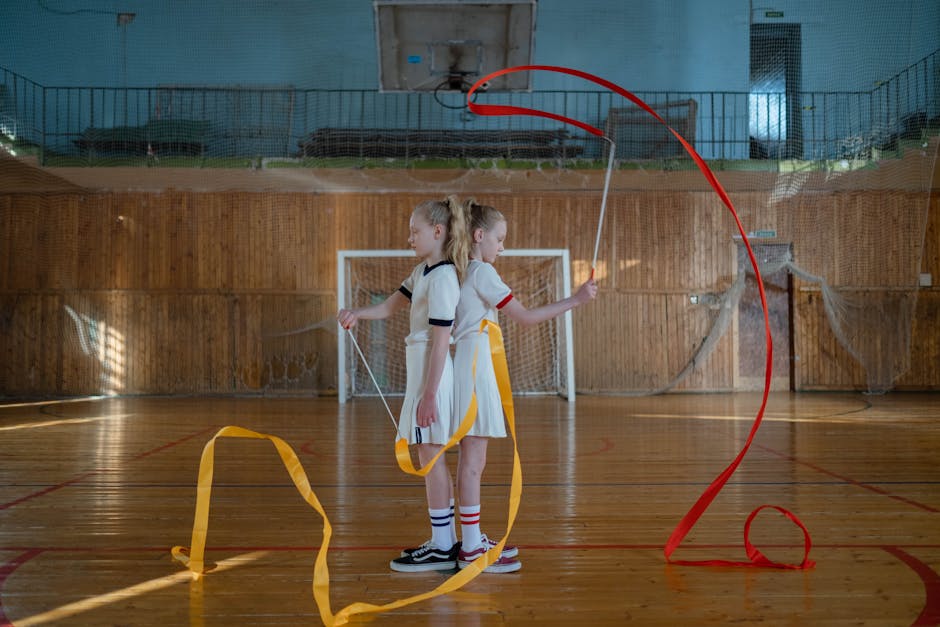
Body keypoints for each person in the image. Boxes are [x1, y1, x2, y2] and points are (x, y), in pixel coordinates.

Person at [450, 199, 598, 573]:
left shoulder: (458, 271)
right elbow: (527, 318)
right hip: (474, 367)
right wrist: (576, 300)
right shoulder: (481, 272)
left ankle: (470, 538)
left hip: (466, 364)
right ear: (479, 236)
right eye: (499, 238)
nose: (503, 246)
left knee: (472, 462)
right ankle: (470, 547)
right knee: (473, 463)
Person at [337, 196, 471, 572]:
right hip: (421, 372)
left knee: (431, 454)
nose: (409, 237)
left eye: (415, 231)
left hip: (433, 374)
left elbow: (442, 341)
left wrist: (429, 396)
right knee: (428, 455)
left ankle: (444, 544)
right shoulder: (422, 272)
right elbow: (391, 306)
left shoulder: (444, 277)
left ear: (438, 231)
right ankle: (442, 540)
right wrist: (356, 314)